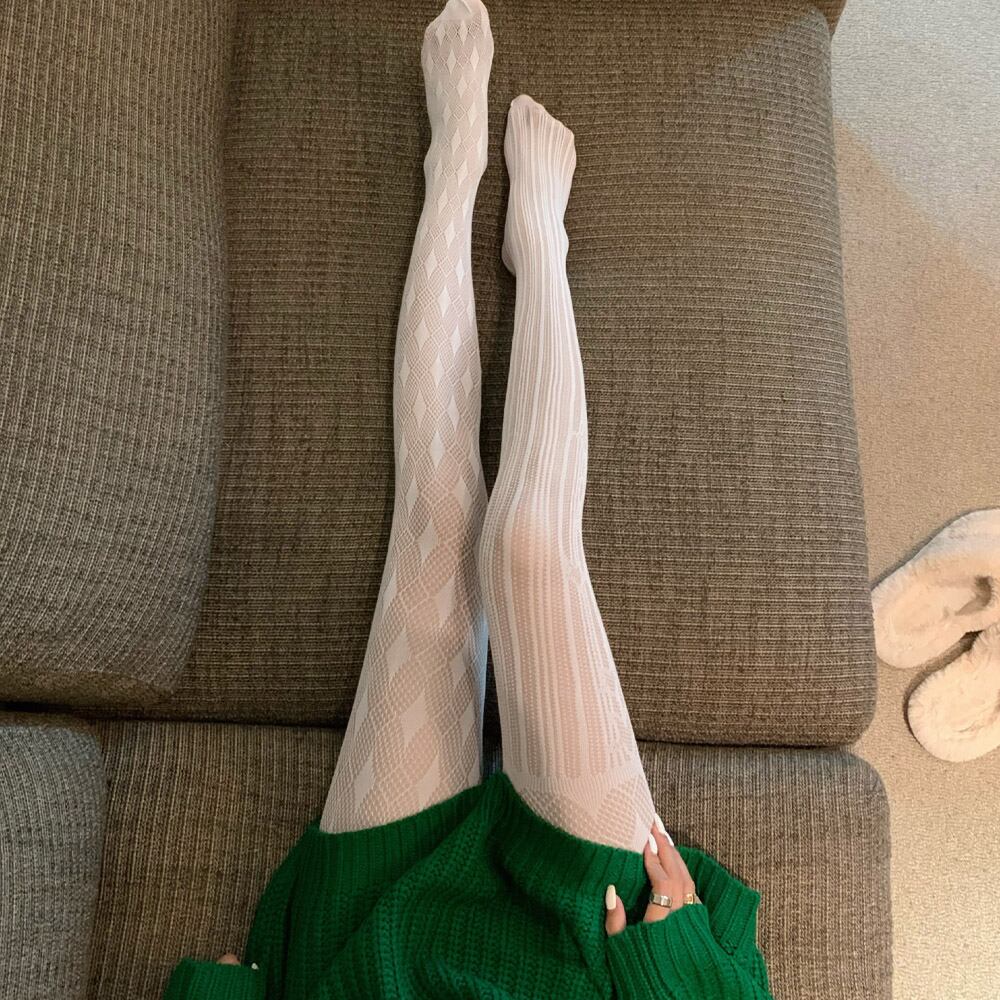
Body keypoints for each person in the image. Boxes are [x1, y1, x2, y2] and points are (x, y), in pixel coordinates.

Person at [163, 1, 774, 997]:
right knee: (527, 543)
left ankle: (452, 169)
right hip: (594, 967)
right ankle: (540, 243)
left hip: (370, 964)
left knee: (439, 526)